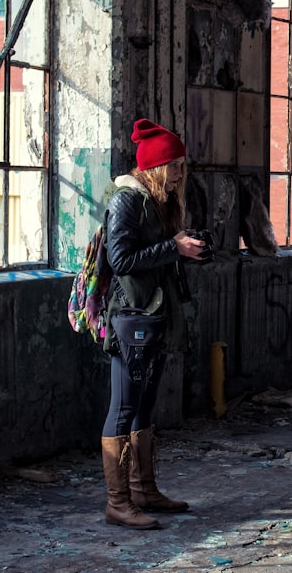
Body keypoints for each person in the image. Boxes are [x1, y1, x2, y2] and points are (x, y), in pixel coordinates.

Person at [99, 118, 210, 530]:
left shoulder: (159, 199)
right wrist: (172, 247)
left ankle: (144, 490)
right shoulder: (128, 200)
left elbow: (153, 254)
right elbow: (121, 259)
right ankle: (118, 502)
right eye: (175, 164)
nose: (181, 172)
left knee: (144, 405)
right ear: (156, 166)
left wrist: (184, 248)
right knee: (124, 407)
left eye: (183, 163)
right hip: (131, 315)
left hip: (153, 311)